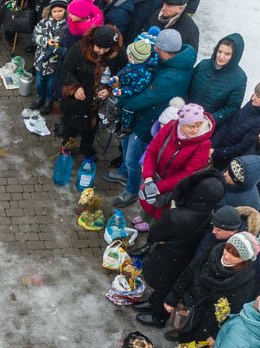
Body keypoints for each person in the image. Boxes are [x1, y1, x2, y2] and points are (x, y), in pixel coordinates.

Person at [111, 29, 195, 205]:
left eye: (156, 47)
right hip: (140, 117)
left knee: (133, 158)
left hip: (147, 121)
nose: (153, 50)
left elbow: (143, 99)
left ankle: (132, 190)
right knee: (126, 145)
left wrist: (121, 97)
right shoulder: (170, 63)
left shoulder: (172, 76)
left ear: (164, 50)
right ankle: (124, 172)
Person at [130, 169, 224, 311]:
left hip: (168, 255)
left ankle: (158, 315)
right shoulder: (212, 213)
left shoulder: (177, 215)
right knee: (169, 286)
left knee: (162, 285)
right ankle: (154, 303)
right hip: (186, 256)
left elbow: (155, 233)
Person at [141, 229, 258, 341]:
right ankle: (180, 330)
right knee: (181, 322)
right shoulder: (212, 253)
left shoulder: (244, 282)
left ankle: (185, 336)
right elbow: (188, 274)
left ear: (244, 259)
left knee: (191, 337)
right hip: (188, 301)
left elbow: (233, 313)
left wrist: (215, 334)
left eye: (235, 255)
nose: (227, 256)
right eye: (227, 249)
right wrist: (172, 299)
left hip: (206, 320)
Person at [132, 102, 214, 226]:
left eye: (198, 125)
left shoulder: (203, 144)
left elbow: (188, 174)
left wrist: (159, 187)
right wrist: (148, 177)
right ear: (181, 124)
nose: (196, 130)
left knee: (162, 211)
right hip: (155, 178)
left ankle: (152, 227)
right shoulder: (171, 126)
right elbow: (152, 150)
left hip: (174, 186)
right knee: (148, 202)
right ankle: (145, 217)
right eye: (191, 126)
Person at [60, 25, 121, 159]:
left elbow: (120, 76)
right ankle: (67, 146)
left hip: (97, 102)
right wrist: (75, 87)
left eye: (106, 48)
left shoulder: (117, 54)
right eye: (98, 47)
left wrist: (109, 90)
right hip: (77, 100)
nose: (101, 52)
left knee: (91, 128)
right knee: (71, 126)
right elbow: (66, 70)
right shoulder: (79, 49)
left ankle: (86, 147)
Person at [208, 78, 260, 168]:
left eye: (258, 96)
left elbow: (242, 148)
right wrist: (211, 144)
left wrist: (215, 153)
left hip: (226, 160)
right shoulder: (253, 103)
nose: (252, 98)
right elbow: (229, 123)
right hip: (216, 148)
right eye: (254, 93)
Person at [186, 33, 245, 125]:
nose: (221, 57)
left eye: (227, 54)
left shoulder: (239, 79)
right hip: (186, 114)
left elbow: (232, 107)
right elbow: (187, 85)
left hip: (208, 124)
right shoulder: (203, 65)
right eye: (219, 51)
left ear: (235, 56)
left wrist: (209, 119)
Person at [29, 0, 69, 114]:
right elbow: (34, 36)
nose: (57, 14)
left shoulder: (67, 27)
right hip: (40, 60)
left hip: (54, 63)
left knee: (51, 84)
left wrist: (58, 47)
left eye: (60, 11)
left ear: (65, 11)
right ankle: (39, 98)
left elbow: (67, 46)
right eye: (54, 11)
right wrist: (45, 41)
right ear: (50, 11)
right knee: (40, 82)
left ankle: (48, 101)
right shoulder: (44, 22)